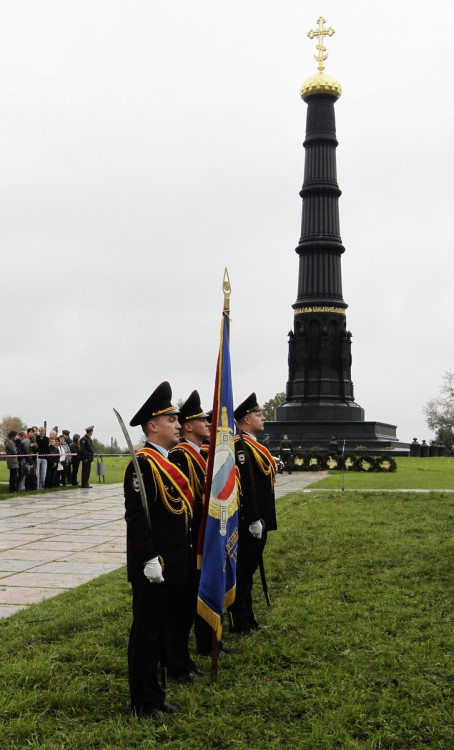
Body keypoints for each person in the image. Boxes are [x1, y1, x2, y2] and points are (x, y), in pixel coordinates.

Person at [124, 381, 194, 718]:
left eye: (178, 420)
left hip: (173, 562)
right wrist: (148, 557)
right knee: (146, 633)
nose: (178, 425)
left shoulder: (168, 461)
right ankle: (142, 701)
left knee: (161, 630)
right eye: (172, 420)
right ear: (153, 425)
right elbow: (137, 517)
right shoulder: (142, 465)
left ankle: (155, 694)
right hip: (153, 564)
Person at [169, 390, 211, 673]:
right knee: (181, 607)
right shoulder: (181, 456)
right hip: (191, 538)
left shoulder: (199, 454)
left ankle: (187, 657)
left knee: (191, 601)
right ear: (189, 426)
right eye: (202, 420)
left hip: (203, 536)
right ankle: (178, 660)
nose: (208, 424)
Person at [229, 393, 277, 635]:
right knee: (243, 573)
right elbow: (245, 486)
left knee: (249, 573)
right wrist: (252, 518)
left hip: (261, 518)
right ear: (246, 420)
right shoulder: (241, 446)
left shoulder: (254, 446)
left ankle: (249, 620)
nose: (263, 418)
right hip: (250, 521)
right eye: (259, 415)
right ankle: (241, 622)